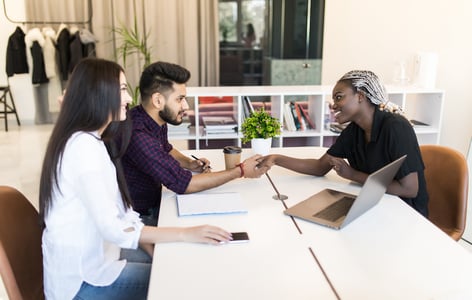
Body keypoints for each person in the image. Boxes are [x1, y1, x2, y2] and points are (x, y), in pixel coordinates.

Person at [39, 58, 232, 300]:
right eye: (121, 89)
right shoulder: (83, 149)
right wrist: (186, 233)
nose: (129, 99)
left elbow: (123, 214)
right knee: (183, 279)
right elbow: (116, 228)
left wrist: (159, 247)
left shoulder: (89, 140)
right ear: (99, 94)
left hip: (103, 258)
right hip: (85, 280)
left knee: (178, 261)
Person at [258, 70, 429, 217]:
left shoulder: (396, 127)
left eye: (339, 97)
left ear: (360, 96)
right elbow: (319, 167)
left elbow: (409, 190)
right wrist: (276, 159)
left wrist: (353, 175)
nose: (333, 105)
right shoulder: (354, 131)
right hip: (375, 206)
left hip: (406, 213)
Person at [122, 61, 269, 226]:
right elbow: (185, 185)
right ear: (158, 100)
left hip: (160, 200)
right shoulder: (138, 135)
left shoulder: (151, 118)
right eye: (180, 99)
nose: (186, 106)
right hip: (143, 217)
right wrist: (241, 171)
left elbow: (166, 148)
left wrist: (190, 164)